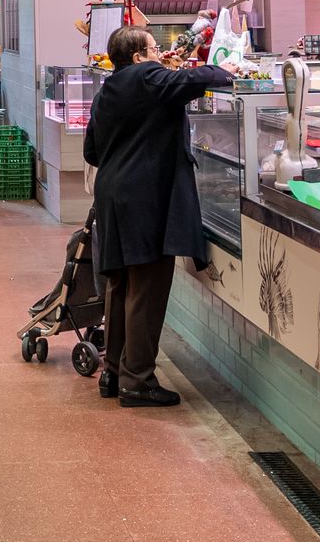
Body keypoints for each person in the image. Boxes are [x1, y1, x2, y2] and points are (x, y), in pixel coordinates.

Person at [83, 27, 233, 409]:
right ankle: (138, 381)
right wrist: (226, 69)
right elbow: (195, 79)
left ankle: (113, 372)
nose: (159, 54)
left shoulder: (106, 90)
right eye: (153, 49)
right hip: (145, 198)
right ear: (137, 57)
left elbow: (91, 151)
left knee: (120, 284)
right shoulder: (146, 76)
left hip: (112, 194)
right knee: (146, 288)